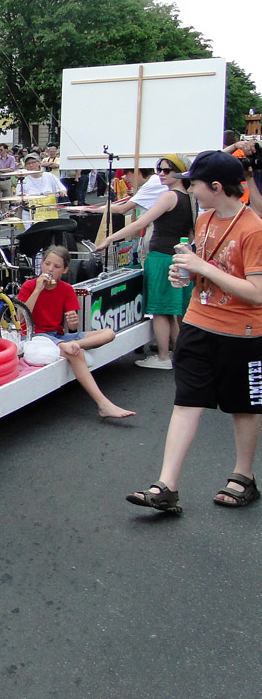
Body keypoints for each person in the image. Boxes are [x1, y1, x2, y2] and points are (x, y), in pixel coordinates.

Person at [127, 151, 262, 513]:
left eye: (195, 184)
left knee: (243, 408)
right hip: (199, 323)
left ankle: (243, 476)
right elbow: (204, 270)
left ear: (216, 187)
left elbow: (257, 293)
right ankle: (166, 485)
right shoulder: (203, 220)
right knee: (186, 401)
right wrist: (185, 274)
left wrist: (202, 267)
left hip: (243, 332)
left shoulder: (254, 229)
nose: (191, 190)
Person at [98, 153, 194, 369]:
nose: (160, 174)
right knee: (172, 311)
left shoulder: (169, 197)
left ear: (179, 172)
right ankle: (175, 356)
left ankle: (163, 357)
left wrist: (110, 238)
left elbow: (141, 222)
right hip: (177, 256)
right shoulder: (189, 197)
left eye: (166, 170)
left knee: (160, 310)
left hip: (161, 257)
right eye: (159, 169)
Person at [21, 246, 134, 420]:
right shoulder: (29, 286)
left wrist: (72, 322)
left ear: (65, 270)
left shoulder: (66, 289)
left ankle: (73, 345)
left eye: (56, 266)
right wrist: (37, 289)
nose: (50, 269)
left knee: (109, 333)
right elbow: (22, 316)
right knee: (75, 353)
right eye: (47, 264)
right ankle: (103, 404)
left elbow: (72, 326)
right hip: (37, 335)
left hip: (58, 336)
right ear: (41, 264)